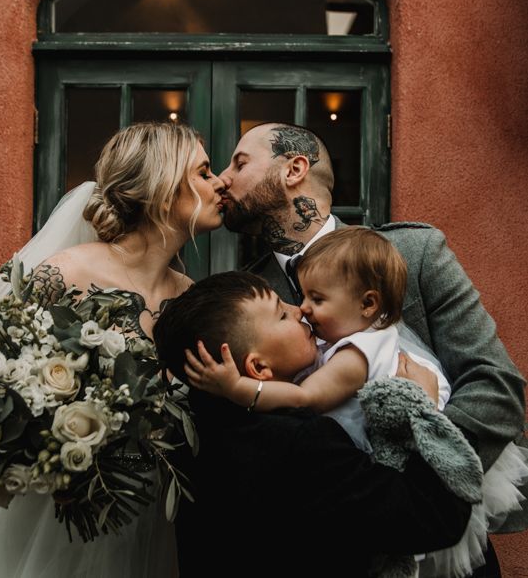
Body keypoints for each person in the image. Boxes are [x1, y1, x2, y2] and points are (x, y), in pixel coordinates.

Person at [0, 121, 225, 578]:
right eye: (204, 172)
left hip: (143, 512)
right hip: (49, 515)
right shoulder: (65, 274)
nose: (219, 182)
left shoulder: (190, 298)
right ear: (164, 188)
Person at [218, 122, 527, 576]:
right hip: (326, 552)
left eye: (240, 163)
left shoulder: (413, 251)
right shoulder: (247, 296)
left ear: (294, 169)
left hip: (448, 546)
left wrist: (421, 482)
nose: (224, 178)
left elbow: (496, 385)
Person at [153, 271, 472, 577]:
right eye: (281, 314)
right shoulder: (302, 443)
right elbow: (432, 519)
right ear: (259, 366)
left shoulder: (189, 439)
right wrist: (425, 409)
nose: (299, 310)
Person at [184, 227, 451, 450]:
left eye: (318, 299)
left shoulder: (357, 353)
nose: (303, 308)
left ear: (368, 304)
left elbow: (304, 397)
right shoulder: (344, 338)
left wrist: (237, 388)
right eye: (304, 296)